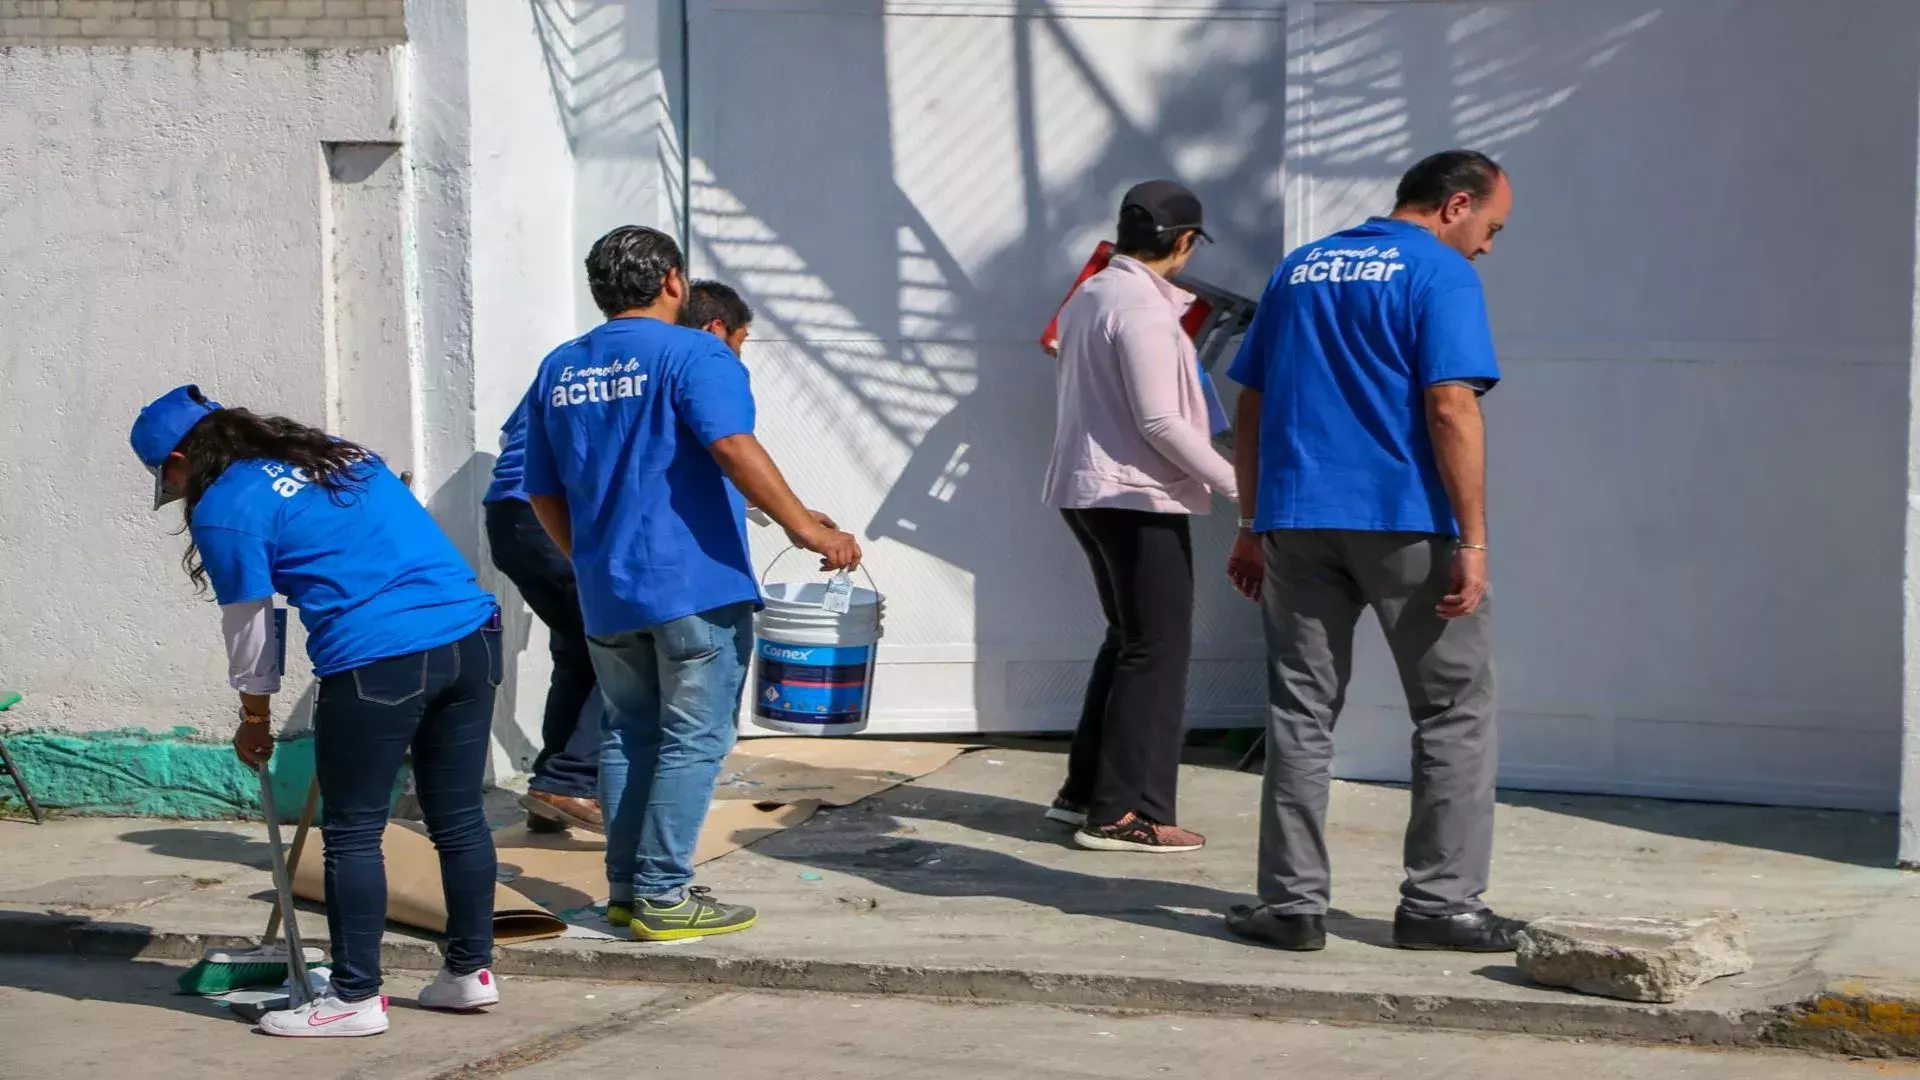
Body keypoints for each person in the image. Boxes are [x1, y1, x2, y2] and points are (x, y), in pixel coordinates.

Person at [129, 385, 503, 1036]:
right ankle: (468, 975)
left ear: (184, 457)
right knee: (459, 818)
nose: (176, 487)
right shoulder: (335, 455)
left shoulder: (226, 507)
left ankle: (354, 997)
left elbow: (252, 628)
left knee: (354, 832)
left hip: (376, 659)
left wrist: (254, 721)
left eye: (170, 473)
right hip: (468, 639)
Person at [521, 225, 860, 942]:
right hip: (693, 587)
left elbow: (540, 488)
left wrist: (587, 557)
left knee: (626, 736)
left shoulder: (562, 366)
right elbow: (733, 447)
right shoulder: (697, 352)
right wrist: (809, 531)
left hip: (610, 590)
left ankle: (626, 891)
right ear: (673, 281)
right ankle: (666, 894)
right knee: (692, 740)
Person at [1221, 150, 1521, 953]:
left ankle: (1290, 905)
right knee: (1454, 710)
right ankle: (1440, 905)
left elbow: (1250, 403)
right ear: (1456, 205)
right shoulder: (1441, 274)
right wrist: (1474, 539)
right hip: (1403, 521)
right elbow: (1451, 406)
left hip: (1296, 519)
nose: (1489, 245)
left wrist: (1252, 523)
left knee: (1300, 711)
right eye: (1491, 226)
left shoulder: (1300, 269)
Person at [1041, 180, 1239, 854]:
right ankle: (1125, 814)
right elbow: (1160, 421)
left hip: (1090, 490)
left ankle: (1083, 795)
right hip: (1134, 495)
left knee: (1129, 640)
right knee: (1156, 647)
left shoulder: (1091, 295)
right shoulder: (1146, 311)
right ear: (1185, 243)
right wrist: (1240, 486)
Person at [486, 395, 604, 835]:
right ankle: (569, 783)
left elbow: (506, 439)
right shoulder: (661, 358)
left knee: (580, 654)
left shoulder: (565, 365)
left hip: (509, 516)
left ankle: (552, 790)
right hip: (560, 512)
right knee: (626, 652)